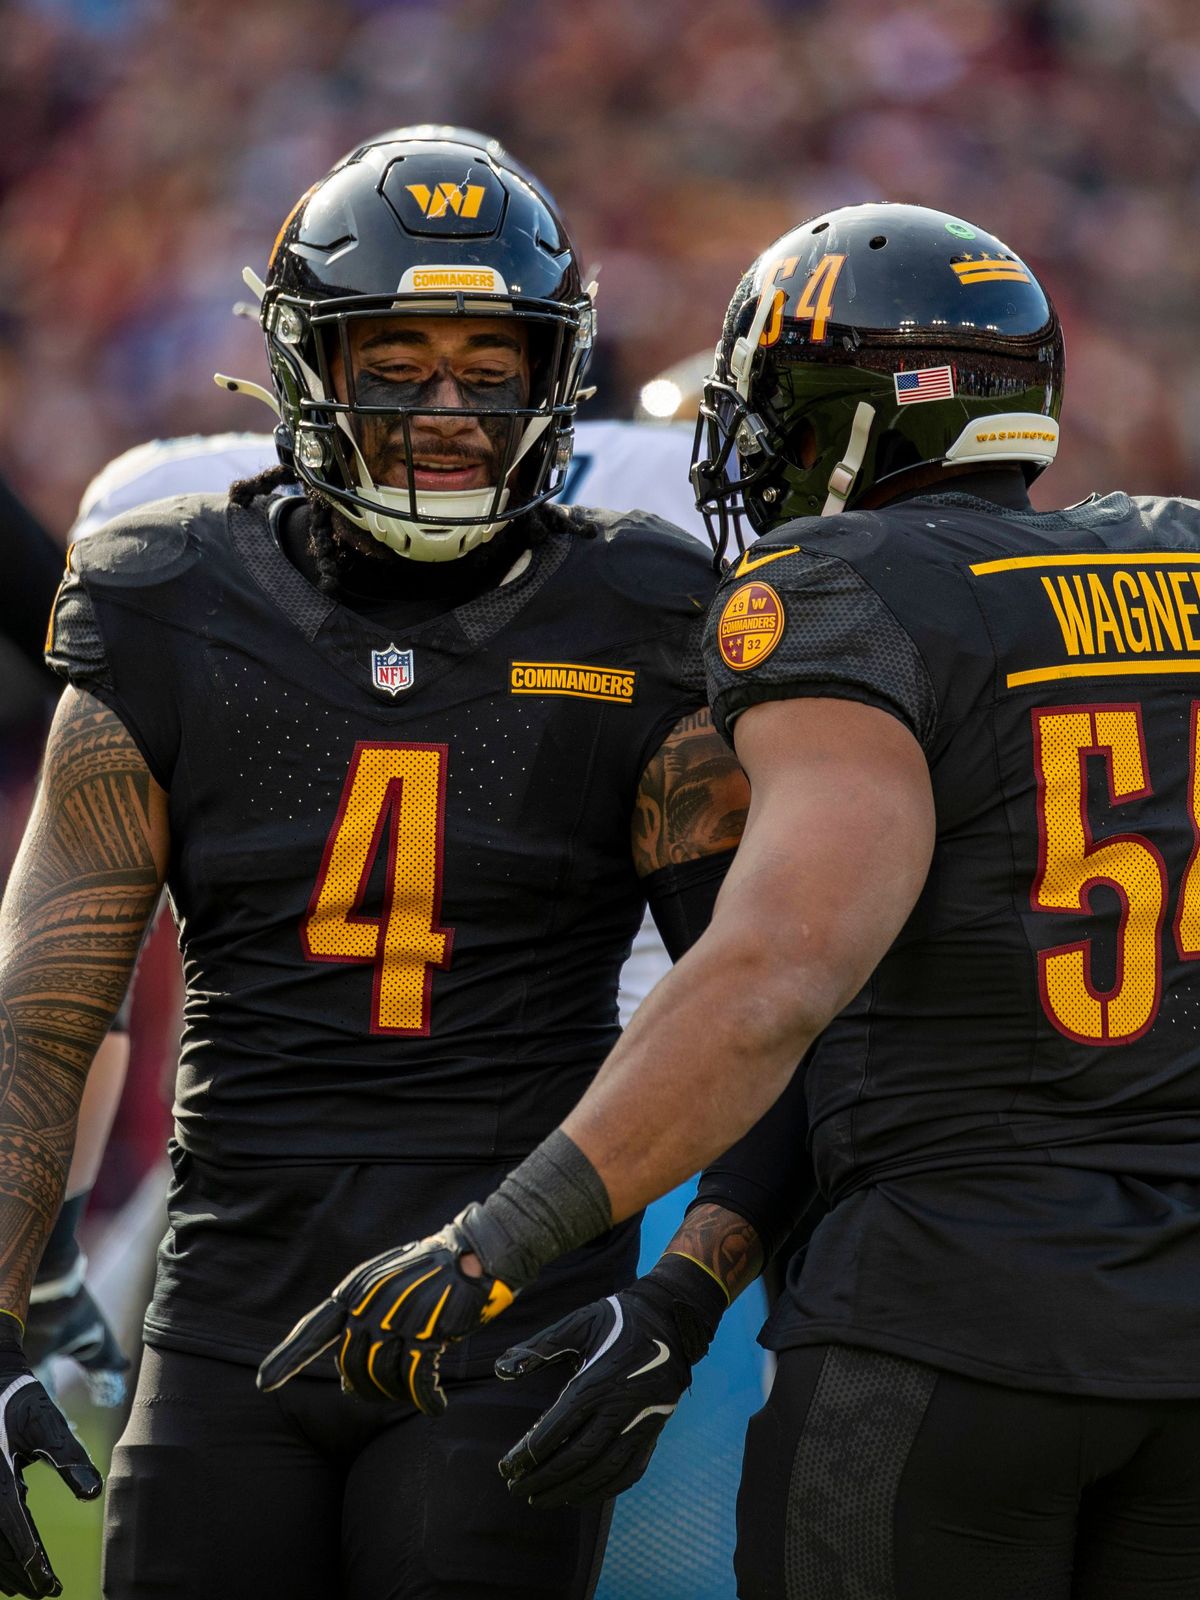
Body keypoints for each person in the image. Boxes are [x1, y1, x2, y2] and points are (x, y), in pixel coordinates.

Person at [265, 201, 1200, 1600]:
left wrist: (497, 1242)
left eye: (763, 412)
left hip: (948, 1328)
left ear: (841, 421)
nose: (743, 449)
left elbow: (774, 976)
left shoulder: (842, 586)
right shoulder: (1177, 560)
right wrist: (683, 1296)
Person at [0, 133, 755, 1600]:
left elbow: (758, 998)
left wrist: (681, 1289)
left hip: (511, 1307)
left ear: (557, 372)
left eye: (491, 364)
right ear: (305, 364)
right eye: (395, 362)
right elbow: (44, 1005)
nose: (450, 410)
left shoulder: (646, 609)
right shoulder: (166, 595)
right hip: (230, 1311)